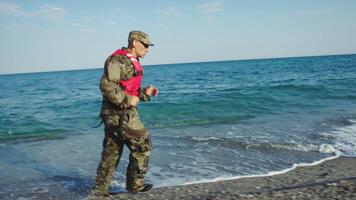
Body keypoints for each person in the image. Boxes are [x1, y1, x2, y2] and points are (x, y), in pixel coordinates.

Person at [90, 31, 158, 196]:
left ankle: (99, 191)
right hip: (119, 114)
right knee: (143, 144)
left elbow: (125, 89)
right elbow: (107, 86)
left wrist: (144, 93)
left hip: (116, 114)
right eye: (146, 45)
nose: (148, 49)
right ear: (135, 43)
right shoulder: (118, 60)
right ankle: (134, 185)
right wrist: (128, 100)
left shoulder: (130, 61)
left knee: (112, 151)